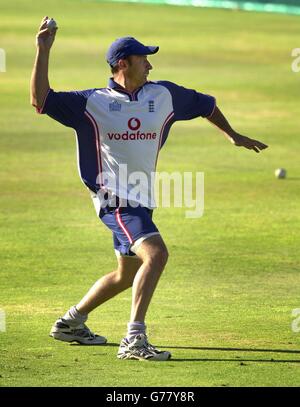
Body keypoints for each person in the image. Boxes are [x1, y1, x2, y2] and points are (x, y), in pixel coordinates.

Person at [30, 16, 268, 361]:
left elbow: (206, 104)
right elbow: (41, 101)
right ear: (123, 64)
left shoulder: (164, 94)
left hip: (142, 198)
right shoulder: (91, 103)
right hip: (114, 198)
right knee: (156, 254)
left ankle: (71, 323)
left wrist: (233, 135)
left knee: (126, 274)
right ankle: (134, 340)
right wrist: (43, 50)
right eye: (144, 59)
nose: (150, 64)